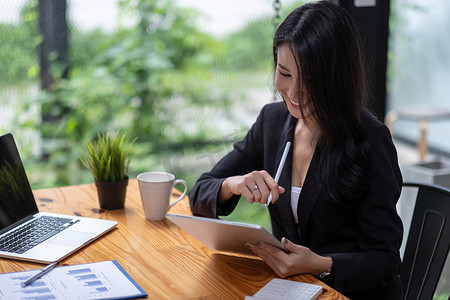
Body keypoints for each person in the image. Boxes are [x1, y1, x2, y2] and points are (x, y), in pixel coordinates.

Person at [189, 1, 403, 299]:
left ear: (337, 78)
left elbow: (386, 261)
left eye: (312, 81)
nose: (294, 93)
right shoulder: (272, 121)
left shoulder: (370, 139)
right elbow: (199, 193)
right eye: (284, 74)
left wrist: (323, 264)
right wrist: (233, 184)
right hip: (290, 291)